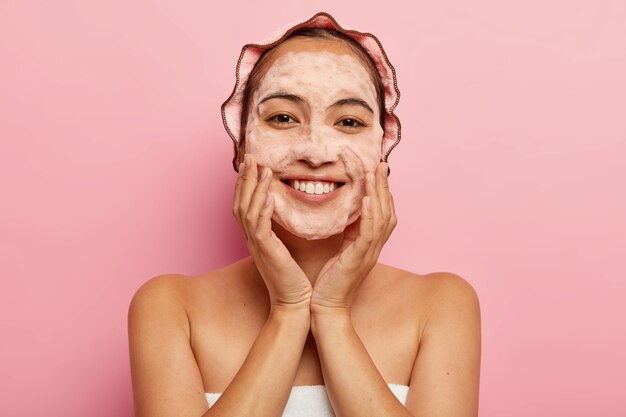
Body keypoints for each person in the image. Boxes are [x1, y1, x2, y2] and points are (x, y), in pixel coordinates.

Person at [128, 11, 481, 417]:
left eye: (348, 121)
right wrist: (289, 309)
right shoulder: (171, 308)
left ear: (383, 149)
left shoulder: (442, 305)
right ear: (242, 146)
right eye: (282, 117)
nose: (315, 153)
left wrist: (332, 315)